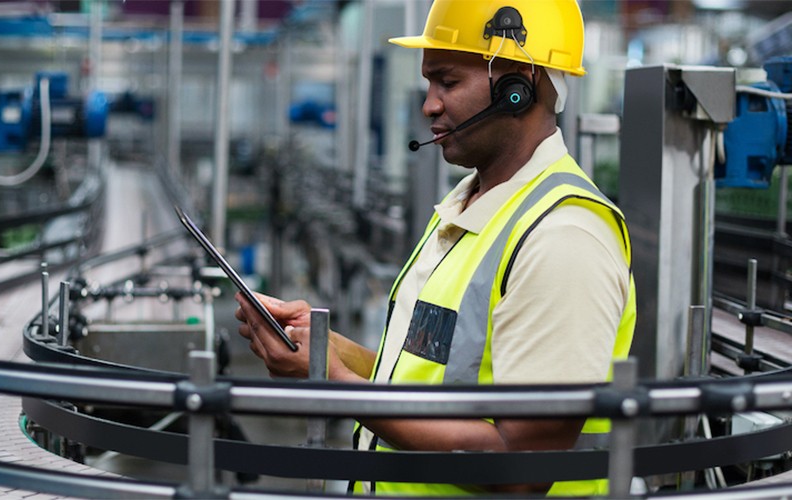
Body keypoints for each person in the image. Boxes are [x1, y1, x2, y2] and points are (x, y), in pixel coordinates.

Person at [235, 0, 636, 496]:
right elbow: (423, 382)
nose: (428, 104)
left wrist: (336, 384)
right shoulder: (469, 207)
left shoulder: (562, 237)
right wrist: (325, 350)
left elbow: (523, 468)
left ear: (517, 86)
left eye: (447, 82)